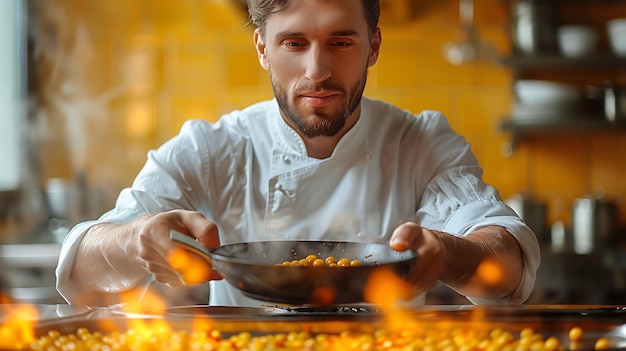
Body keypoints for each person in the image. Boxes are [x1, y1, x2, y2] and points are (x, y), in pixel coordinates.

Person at [56, 0, 540, 307]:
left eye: (340, 41)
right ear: (263, 48)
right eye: (294, 42)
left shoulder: (419, 142)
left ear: (373, 44)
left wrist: (452, 254)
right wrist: (137, 240)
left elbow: (510, 269)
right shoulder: (211, 150)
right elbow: (80, 267)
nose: (318, 70)